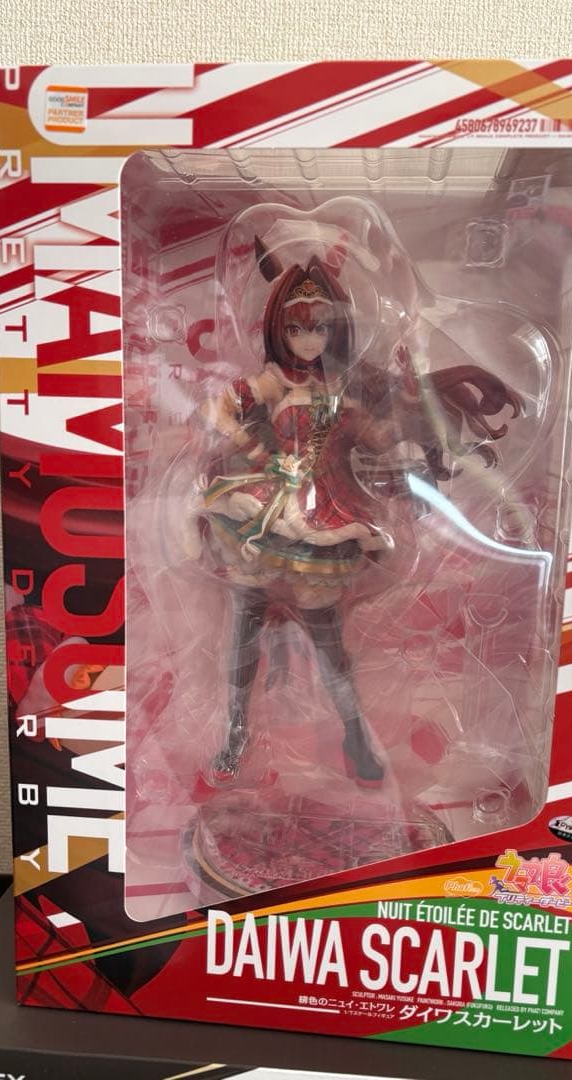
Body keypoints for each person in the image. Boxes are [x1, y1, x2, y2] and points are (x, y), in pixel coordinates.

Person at [192, 237, 521, 788]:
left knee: (329, 642)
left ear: (336, 330)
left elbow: (382, 437)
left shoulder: (347, 386)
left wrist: (415, 414)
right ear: (278, 330)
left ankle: (353, 736)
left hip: (328, 514)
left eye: (319, 328)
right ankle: (234, 734)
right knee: (244, 625)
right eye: (296, 329)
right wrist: (258, 452)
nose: (308, 340)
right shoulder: (273, 382)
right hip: (266, 508)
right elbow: (216, 411)